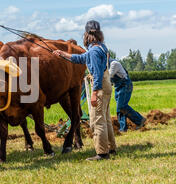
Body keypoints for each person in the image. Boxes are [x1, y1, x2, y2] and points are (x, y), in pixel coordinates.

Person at [53, 20, 115, 161]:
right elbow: (81, 58)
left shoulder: (93, 51)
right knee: (105, 118)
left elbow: (97, 74)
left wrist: (94, 93)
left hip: (99, 86)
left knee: (97, 121)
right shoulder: (101, 47)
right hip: (107, 84)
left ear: (86, 35)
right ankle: (111, 148)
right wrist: (63, 54)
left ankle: (102, 153)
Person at [109, 58, 146, 132]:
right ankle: (123, 128)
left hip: (124, 85)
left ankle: (140, 120)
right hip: (118, 86)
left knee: (122, 106)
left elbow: (109, 76)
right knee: (119, 108)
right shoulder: (106, 66)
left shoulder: (114, 64)